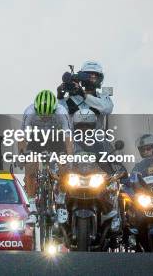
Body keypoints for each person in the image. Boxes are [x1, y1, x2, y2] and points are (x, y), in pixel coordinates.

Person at [19, 89, 73, 222]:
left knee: (64, 167)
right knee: (30, 168)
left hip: (57, 139)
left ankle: (61, 200)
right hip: (37, 139)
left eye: (48, 115)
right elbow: (22, 137)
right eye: (41, 115)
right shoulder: (29, 112)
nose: (44, 118)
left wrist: (69, 158)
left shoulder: (61, 112)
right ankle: (32, 208)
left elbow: (68, 138)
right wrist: (22, 156)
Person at [58, 61, 113, 129]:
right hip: (74, 138)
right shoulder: (71, 99)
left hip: (96, 138)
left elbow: (107, 109)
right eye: (88, 76)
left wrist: (83, 94)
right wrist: (60, 96)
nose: (91, 78)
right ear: (82, 77)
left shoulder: (103, 97)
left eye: (94, 76)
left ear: (100, 78)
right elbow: (60, 115)